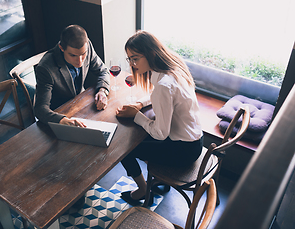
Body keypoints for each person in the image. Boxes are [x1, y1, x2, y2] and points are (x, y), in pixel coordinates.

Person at [116, 31, 203, 206]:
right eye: (129, 59)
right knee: (139, 136)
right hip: (195, 142)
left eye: (135, 58)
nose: (132, 64)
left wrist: (136, 116)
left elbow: (160, 134)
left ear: (151, 54)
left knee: (124, 149)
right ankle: (159, 181)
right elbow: (164, 96)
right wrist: (140, 104)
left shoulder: (163, 86)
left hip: (183, 151)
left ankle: (142, 190)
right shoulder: (174, 68)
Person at [34, 25, 110, 126]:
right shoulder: (45, 68)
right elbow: (40, 109)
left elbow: (103, 71)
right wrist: (61, 120)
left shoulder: (87, 46)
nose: (80, 61)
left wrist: (102, 91)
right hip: (59, 113)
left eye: (83, 54)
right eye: (73, 55)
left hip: (81, 104)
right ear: (61, 48)